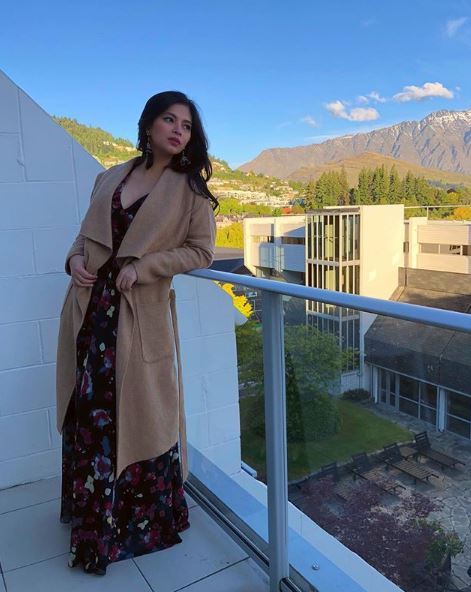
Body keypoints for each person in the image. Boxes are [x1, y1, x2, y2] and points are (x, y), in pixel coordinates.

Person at [56, 91, 219, 575]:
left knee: (140, 415)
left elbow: (201, 251)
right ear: (148, 125)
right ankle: (93, 523)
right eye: (169, 120)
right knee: (91, 414)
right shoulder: (111, 176)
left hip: (137, 315)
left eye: (186, 125)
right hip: (91, 313)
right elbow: (84, 235)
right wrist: (74, 260)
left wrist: (145, 266)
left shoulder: (190, 190)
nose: (178, 130)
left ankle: (135, 527)